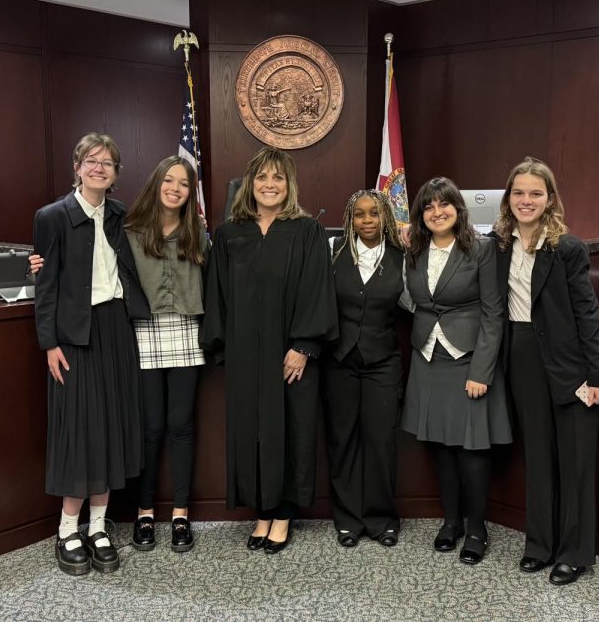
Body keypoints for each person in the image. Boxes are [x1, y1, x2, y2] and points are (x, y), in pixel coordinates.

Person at [200, 146, 337, 555]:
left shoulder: (307, 231)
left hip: (290, 355)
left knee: (290, 430)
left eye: (278, 178)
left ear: (288, 184)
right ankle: (261, 510)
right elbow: (217, 296)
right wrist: (224, 349)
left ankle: (282, 515)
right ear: (250, 184)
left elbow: (318, 290)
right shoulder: (228, 235)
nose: (270, 185)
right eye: (262, 178)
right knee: (252, 433)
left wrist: (303, 346)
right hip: (245, 355)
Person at [492, 156, 599, 586]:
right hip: (523, 359)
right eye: (519, 192)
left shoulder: (567, 248)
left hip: (571, 364)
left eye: (535, 193)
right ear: (508, 197)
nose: (526, 200)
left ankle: (574, 553)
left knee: (576, 461)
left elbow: (587, 314)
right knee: (539, 458)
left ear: (550, 199)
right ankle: (539, 546)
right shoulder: (500, 244)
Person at [32, 133, 150, 576]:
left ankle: (98, 526)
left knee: (111, 427)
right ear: (77, 167)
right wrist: (49, 344)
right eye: (91, 161)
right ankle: (68, 530)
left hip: (115, 329)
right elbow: (45, 287)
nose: (99, 168)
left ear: (117, 174)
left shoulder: (120, 214)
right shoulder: (52, 217)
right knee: (79, 431)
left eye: (108, 163)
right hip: (74, 336)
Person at [400, 177, 510, 566]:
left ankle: (477, 528)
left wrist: (482, 370)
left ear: (458, 210)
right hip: (427, 357)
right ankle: (451, 523)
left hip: (469, 360)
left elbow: (494, 312)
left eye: (443, 204)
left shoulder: (479, 249)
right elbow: (413, 299)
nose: (436, 212)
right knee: (441, 446)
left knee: (472, 447)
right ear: (420, 215)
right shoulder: (413, 250)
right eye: (428, 206)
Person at [123, 156, 208, 553]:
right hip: (144, 332)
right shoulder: (129, 232)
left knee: (181, 424)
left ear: (191, 193)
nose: (176, 188)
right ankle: (144, 512)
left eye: (184, 183)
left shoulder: (198, 233)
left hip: (187, 331)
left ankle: (180, 513)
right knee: (151, 427)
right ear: (156, 183)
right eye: (169, 181)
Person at [323, 190, 406, 548]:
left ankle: (382, 519)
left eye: (374, 214)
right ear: (350, 219)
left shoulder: (403, 257)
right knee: (342, 440)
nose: (367, 220)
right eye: (359, 215)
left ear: (386, 216)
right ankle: (347, 520)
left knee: (380, 441)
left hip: (382, 362)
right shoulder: (333, 250)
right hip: (339, 362)